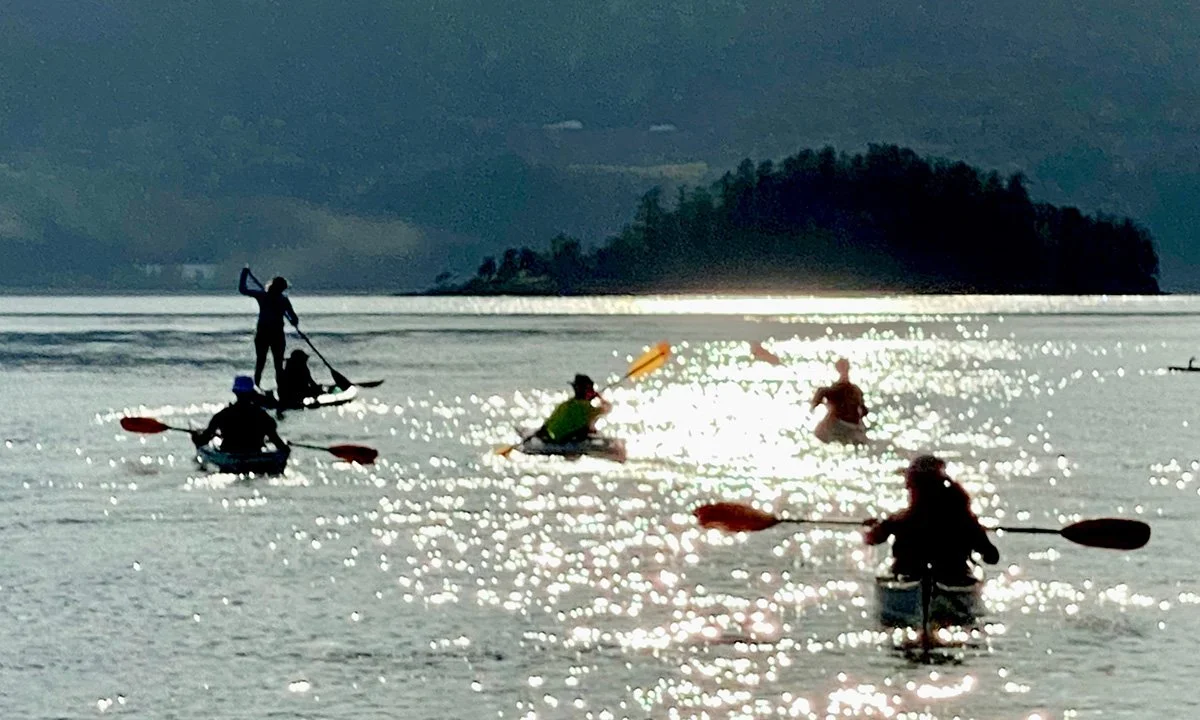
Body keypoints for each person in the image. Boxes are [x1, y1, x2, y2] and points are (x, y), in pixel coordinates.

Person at [864, 455, 999, 582]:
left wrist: (874, 527)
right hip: (954, 577)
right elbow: (992, 557)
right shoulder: (964, 520)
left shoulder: (900, 520)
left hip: (908, 577)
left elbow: (871, 539)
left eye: (910, 485)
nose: (908, 489)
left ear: (915, 488)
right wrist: (979, 535)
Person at [192, 375, 290, 455]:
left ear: (235, 392)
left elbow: (204, 440)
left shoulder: (223, 415)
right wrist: (286, 449)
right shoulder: (263, 416)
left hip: (230, 453)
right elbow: (277, 441)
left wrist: (196, 437)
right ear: (252, 393)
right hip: (255, 453)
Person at [239, 266, 298, 389]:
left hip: (274, 334)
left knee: (272, 363)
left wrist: (293, 321)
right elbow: (243, 290)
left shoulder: (279, 299)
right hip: (266, 334)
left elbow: (294, 318)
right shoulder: (265, 297)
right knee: (264, 361)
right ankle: (259, 386)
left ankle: (279, 388)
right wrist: (244, 275)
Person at [536, 374, 612, 443]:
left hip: (553, 438)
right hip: (567, 441)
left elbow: (546, 425)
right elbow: (608, 408)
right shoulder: (588, 408)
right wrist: (599, 397)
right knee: (589, 426)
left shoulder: (564, 404)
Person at [811, 357, 869, 444]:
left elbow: (821, 391)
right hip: (853, 425)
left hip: (841, 423)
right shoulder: (856, 390)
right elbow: (864, 411)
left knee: (819, 433)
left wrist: (815, 405)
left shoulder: (839, 389)